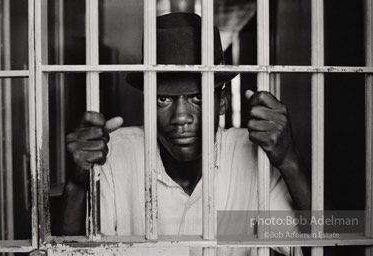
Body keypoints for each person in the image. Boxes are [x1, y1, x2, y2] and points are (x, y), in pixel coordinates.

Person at [61, 12, 310, 256]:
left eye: (198, 97)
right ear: (146, 104)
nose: (181, 117)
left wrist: (290, 159)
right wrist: (75, 183)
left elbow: (333, 242)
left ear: (222, 102)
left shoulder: (255, 156)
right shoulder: (115, 155)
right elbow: (73, 253)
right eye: (163, 99)